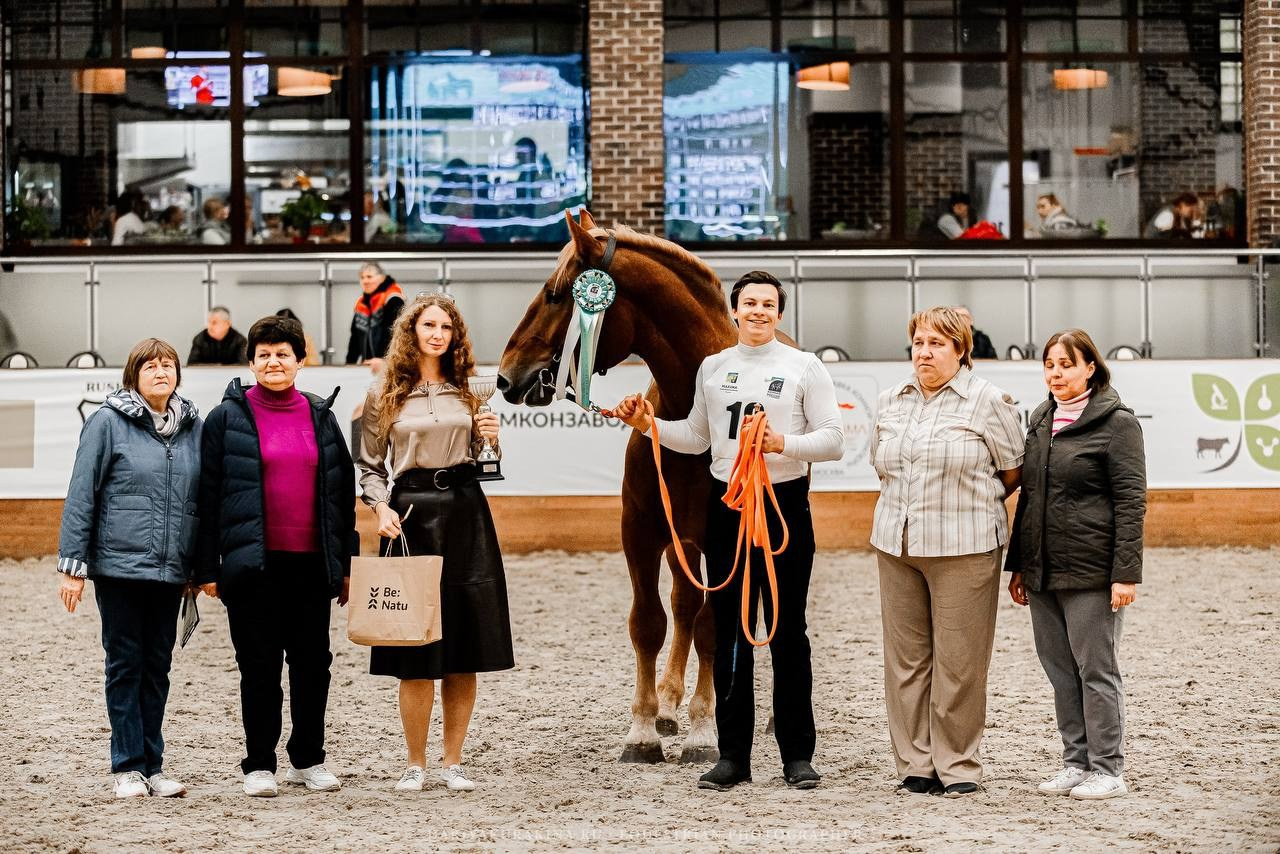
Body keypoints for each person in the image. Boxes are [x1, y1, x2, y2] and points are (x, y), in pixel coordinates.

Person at [612, 271, 844, 793]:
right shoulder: (714, 369)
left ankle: (797, 755)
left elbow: (833, 441)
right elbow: (695, 438)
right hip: (730, 506)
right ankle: (733, 754)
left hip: (783, 505)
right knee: (730, 627)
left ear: (779, 314)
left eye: (768, 304)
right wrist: (648, 425)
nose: (759, 311)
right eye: (749, 303)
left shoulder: (804, 366)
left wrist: (781, 444)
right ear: (734, 311)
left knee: (789, 633)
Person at [358, 292, 514, 793]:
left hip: (467, 512)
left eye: (446, 326)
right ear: (412, 331)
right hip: (411, 516)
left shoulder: (470, 392)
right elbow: (369, 467)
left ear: (455, 335)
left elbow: (484, 460)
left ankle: (453, 761)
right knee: (415, 644)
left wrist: (491, 438)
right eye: (429, 324)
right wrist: (381, 509)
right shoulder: (383, 395)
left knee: (464, 645)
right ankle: (415, 763)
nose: (438, 333)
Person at [195, 314, 357, 798]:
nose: (273, 362)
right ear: (251, 361)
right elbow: (206, 496)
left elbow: (341, 495)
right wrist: (206, 568)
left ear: (300, 361)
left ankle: (307, 760)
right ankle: (259, 763)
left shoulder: (321, 417)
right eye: (263, 354)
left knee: (313, 665)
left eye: (283, 354)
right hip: (252, 566)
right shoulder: (226, 418)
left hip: (311, 564)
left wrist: (344, 565)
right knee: (259, 667)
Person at [870, 306, 1024, 798]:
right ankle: (916, 764)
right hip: (897, 542)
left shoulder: (987, 401)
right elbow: (883, 466)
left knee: (960, 662)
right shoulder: (890, 400)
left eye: (937, 343)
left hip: (965, 546)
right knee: (906, 661)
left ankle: (957, 764)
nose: (924, 352)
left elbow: (1013, 472)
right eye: (918, 342)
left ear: (961, 350)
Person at [56, 338, 202, 799]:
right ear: (133, 376)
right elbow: (83, 493)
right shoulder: (106, 423)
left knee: (158, 667)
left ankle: (153, 766)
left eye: (168, 365)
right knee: (125, 664)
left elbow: (201, 501)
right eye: (151, 366)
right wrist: (72, 566)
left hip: (171, 570)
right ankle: (126, 766)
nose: (161, 372)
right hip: (119, 568)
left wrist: (197, 565)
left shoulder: (193, 428)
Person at [1006, 329, 1145, 801]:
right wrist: (1021, 564)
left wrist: (1125, 573)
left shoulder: (1118, 423)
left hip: (1092, 570)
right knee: (1059, 670)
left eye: (1067, 364)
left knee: (1096, 670)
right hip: (1043, 568)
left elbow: (1131, 501)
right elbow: (1030, 496)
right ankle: (1075, 761)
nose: (1056, 373)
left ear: (1090, 367)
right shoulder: (1040, 418)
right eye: (1049, 364)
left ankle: (1108, 768)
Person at [345, 261, 404, 374]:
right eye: (362, 277)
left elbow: (396, 334)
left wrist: (384, 361)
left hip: (390, 367)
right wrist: (349, 364)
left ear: (382, 278)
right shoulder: (361, 304)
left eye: (369, 276)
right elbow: (354, 339)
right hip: (368, 367)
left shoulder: (393, 299)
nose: (365, 281)